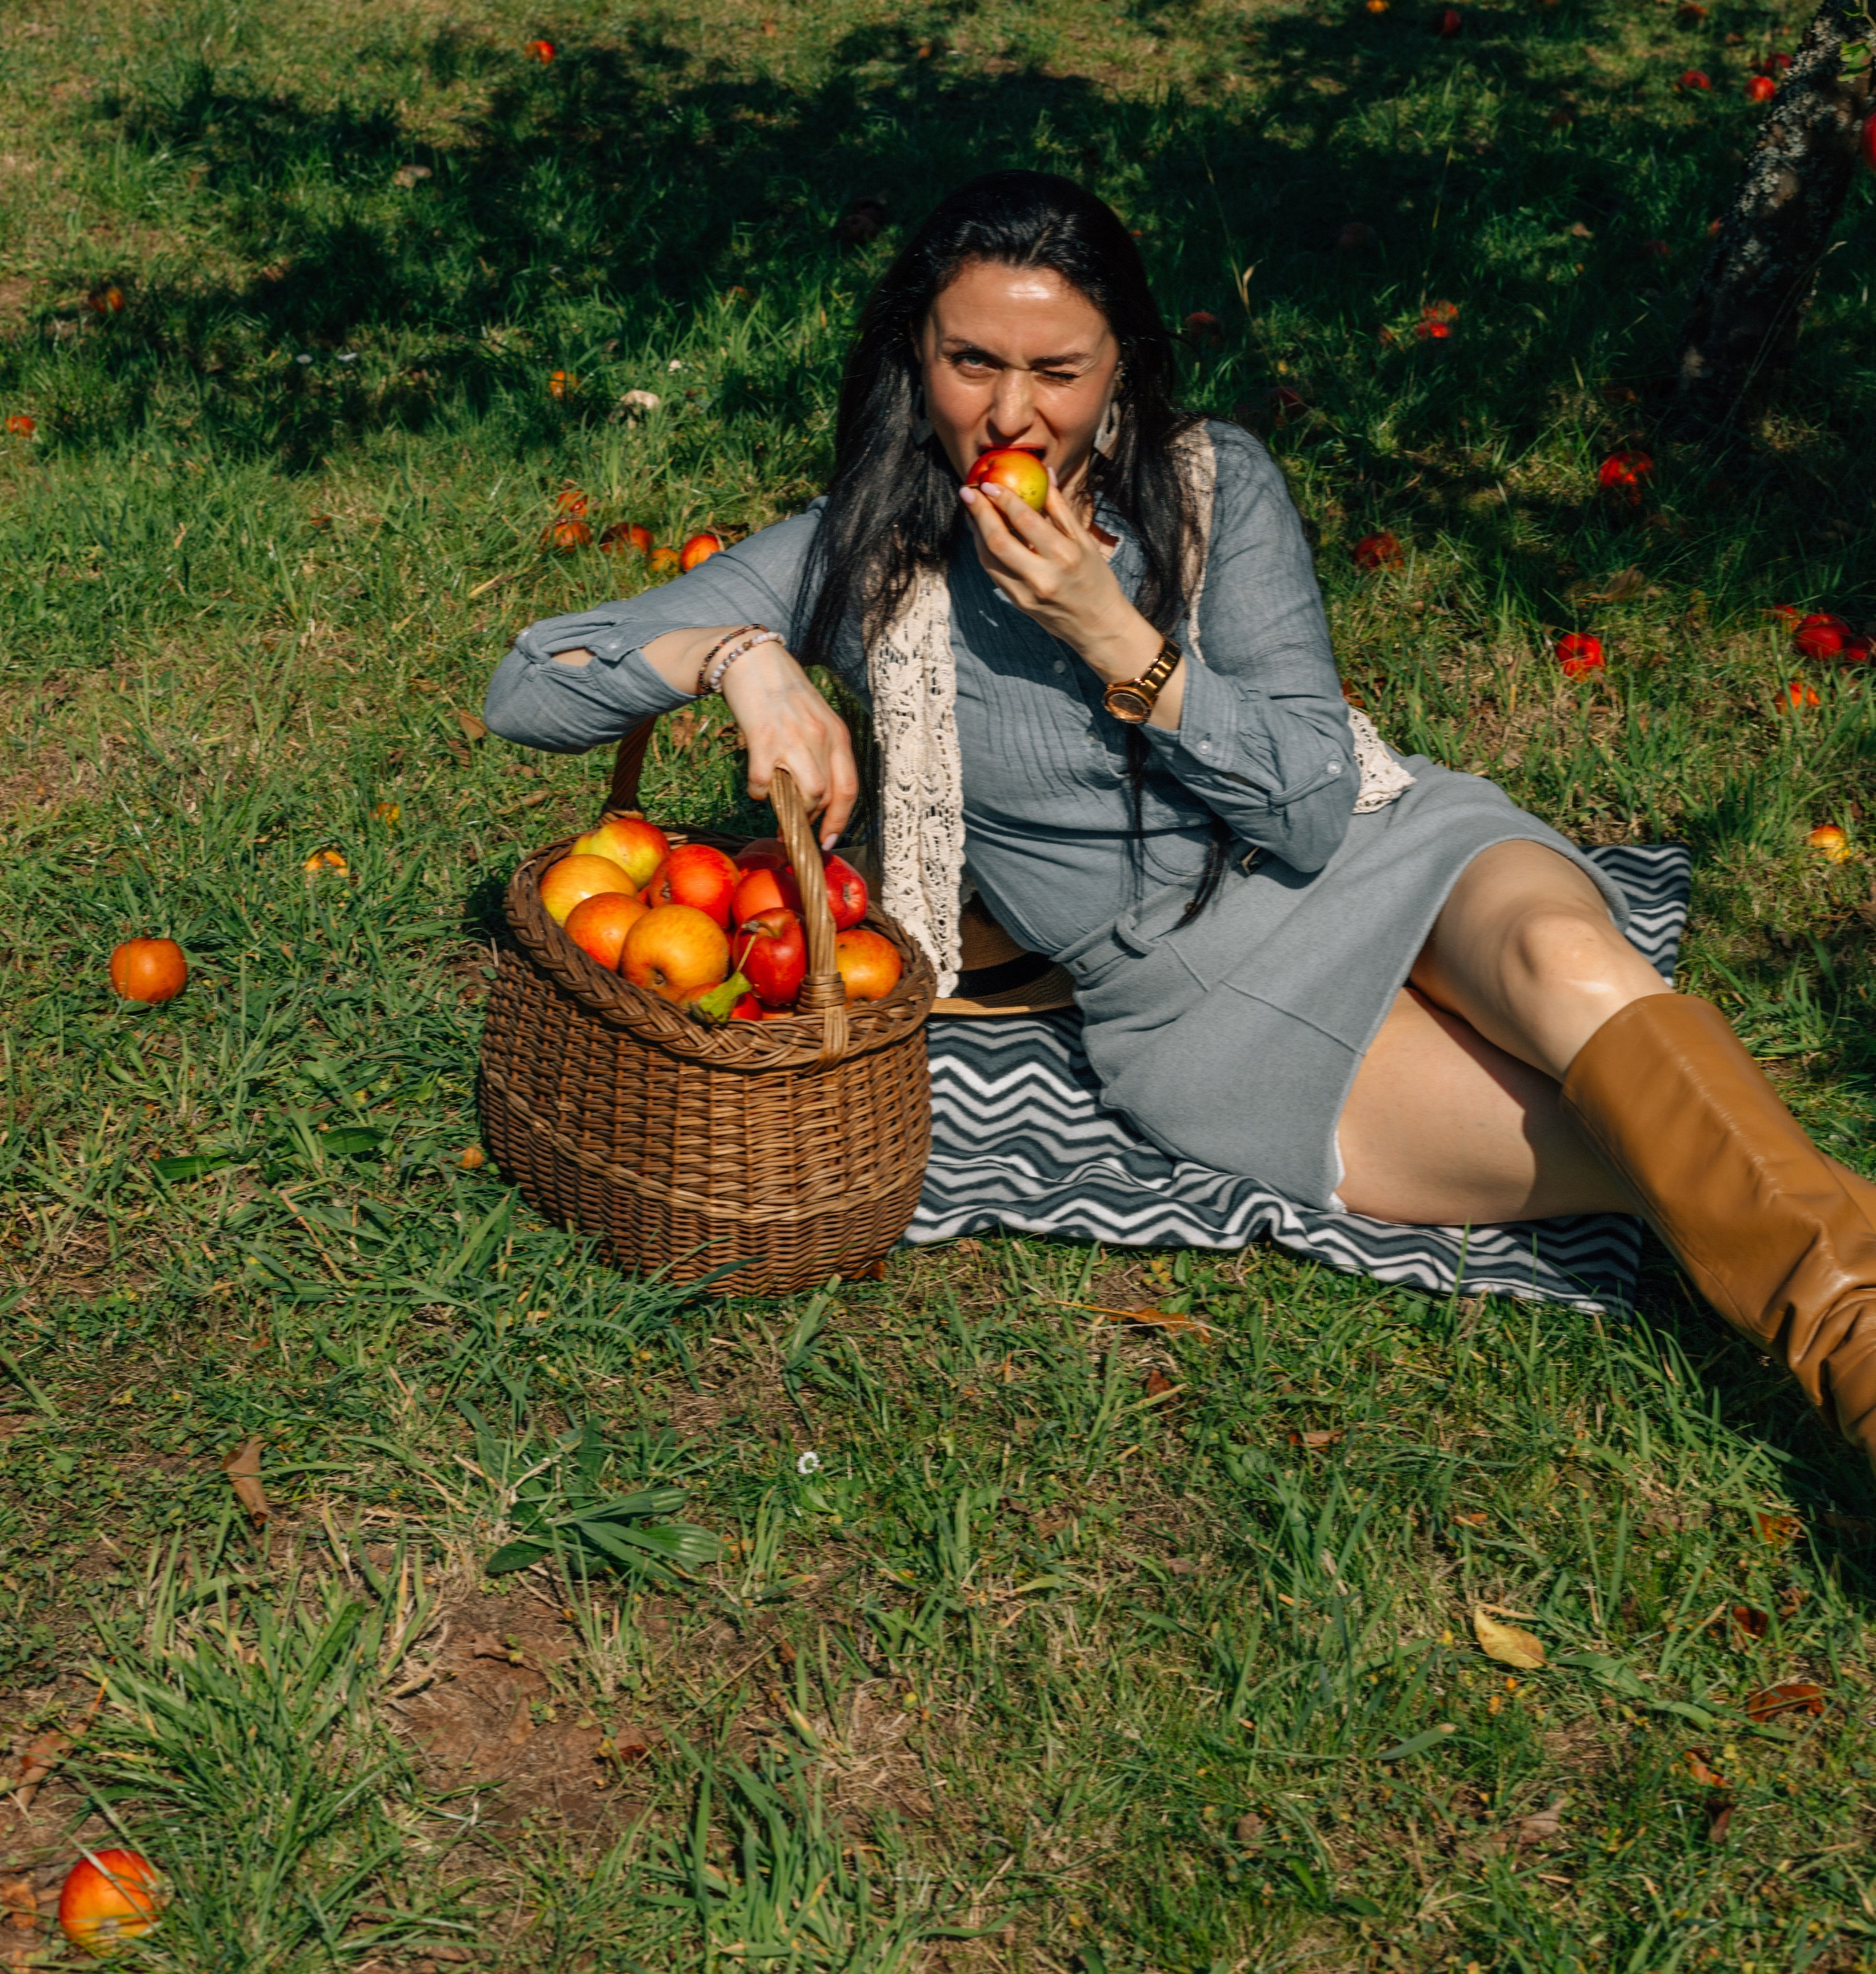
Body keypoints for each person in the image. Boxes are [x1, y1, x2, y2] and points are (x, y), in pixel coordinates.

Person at [485, 170, 1876, 1476]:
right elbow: (528, 686)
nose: (1012, 414)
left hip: (1395, 856)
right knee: (1645, 1161)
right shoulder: (865, 549)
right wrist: (743, 658)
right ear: (918, 358)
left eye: (1057, 370)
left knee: (1580, 977)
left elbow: (1316, 802)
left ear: (1122, 370)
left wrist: (1117, 638)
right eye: (973, 363)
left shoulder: (1214, 489)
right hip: (1199, 1008)